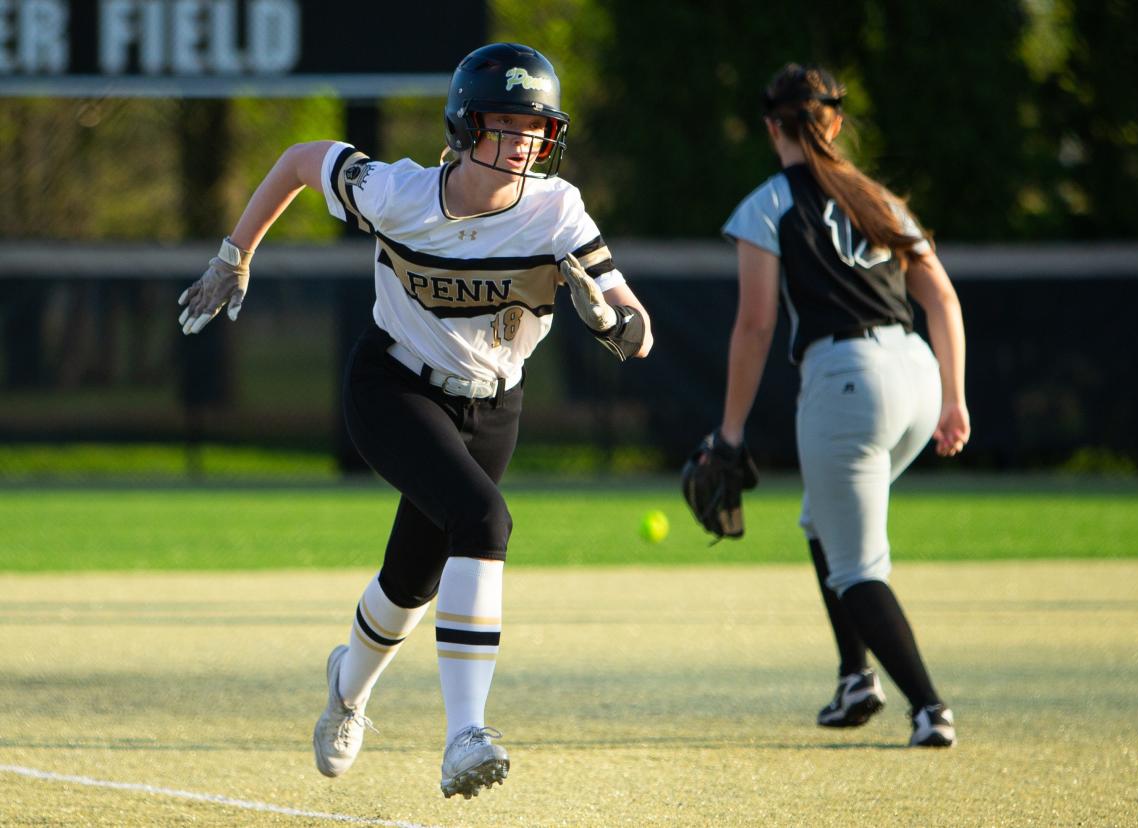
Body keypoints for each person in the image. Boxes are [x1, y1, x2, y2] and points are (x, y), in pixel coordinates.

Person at [175, 43, 653, 797]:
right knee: (485, 519)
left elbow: (638, 328)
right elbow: (303, 158)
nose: (525, 141)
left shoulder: (556, 209)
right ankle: (465, 734)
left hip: (495, 403)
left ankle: (348, 690)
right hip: (392, 384)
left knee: (411, 580)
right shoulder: (398, 193)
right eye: (507, 121)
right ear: (465, 124)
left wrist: (613, 322)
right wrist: (236, 253)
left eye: (536, 126)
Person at [714, 63, 969, 747]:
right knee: (821, 522)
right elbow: (940, 297)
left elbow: (756, 325)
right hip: (915, 372)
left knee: (856, 569)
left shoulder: (770, 202)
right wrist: (954, 398)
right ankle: (855, 677)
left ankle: (929, 707)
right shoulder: (878, 198)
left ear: (774, 128)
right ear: (834, 122)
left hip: (848, 380)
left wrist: (729, 433)